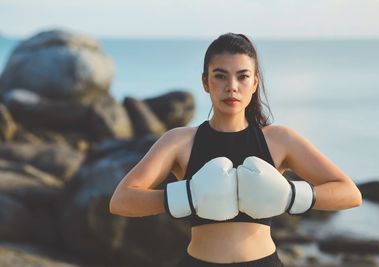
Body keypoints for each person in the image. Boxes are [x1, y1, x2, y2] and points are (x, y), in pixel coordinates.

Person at [109, 33, 362, 267]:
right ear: (205, 82)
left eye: (242, 76)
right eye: (220, 75)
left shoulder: (279, 139)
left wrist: (291, 196)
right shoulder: (179, 141)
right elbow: (121, 201)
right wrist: (187, 196)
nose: (232, 86)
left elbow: (349, 193)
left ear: (254, 83)